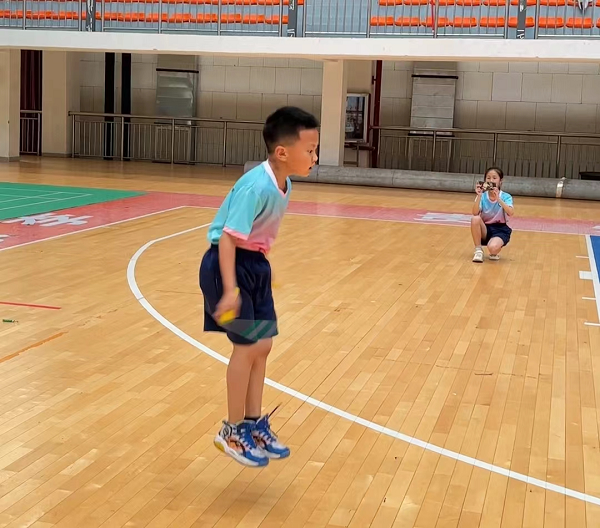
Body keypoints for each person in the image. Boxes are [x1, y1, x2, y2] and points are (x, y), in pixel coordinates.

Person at [199, 106, 319, 467]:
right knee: (247, 346)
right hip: (227, 266)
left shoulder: (285, 183)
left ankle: (253, 424)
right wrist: (230, 289)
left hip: (254, 266)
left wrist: (261, 269)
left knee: (263, 345)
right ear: (282, 152)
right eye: (309, 150)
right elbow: (227, 239)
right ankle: (232, 431)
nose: (315, 157)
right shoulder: (256, 185)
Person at [471, 167, 514, 263]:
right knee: (475, 219)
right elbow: (475, 212)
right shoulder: (482, 196)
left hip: (500, 229)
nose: (491, 180)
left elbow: (510, 212)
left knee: (493, 249)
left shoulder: (506, 196)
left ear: (500, 181)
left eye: (494, 178)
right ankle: (478, 250)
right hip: (485, 229)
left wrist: (498, 199)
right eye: (488, 178)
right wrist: (479, 195)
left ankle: (494, 248)